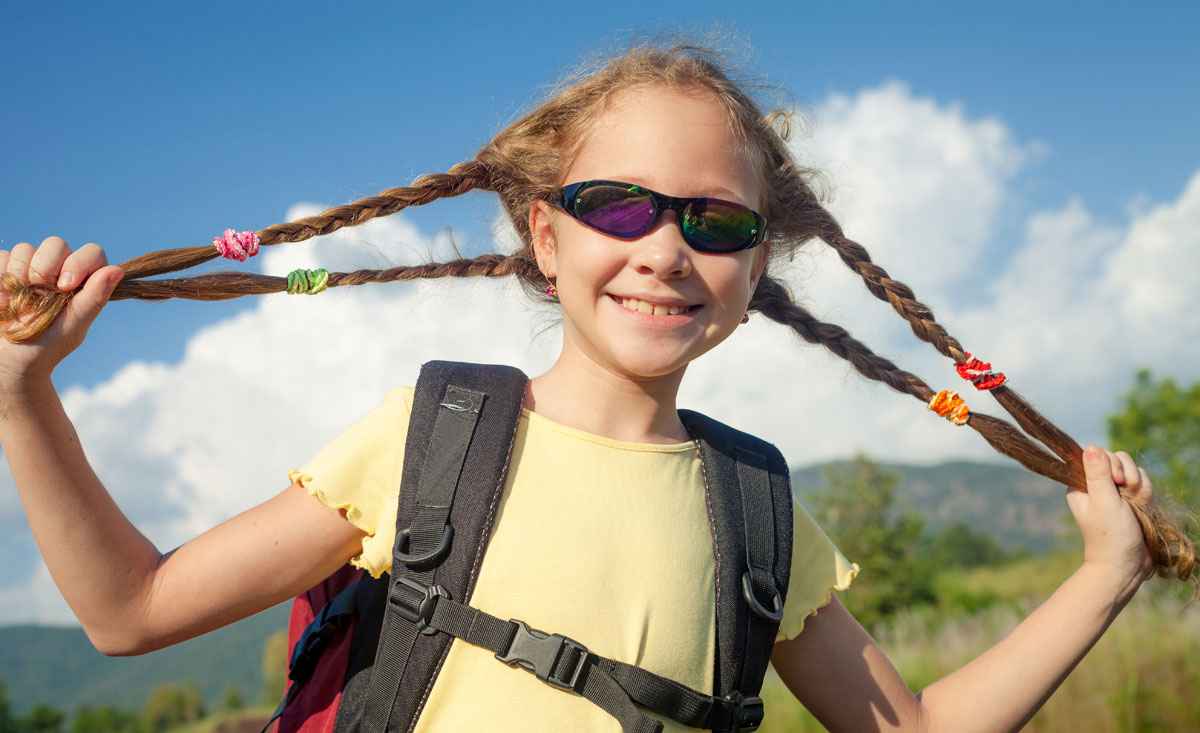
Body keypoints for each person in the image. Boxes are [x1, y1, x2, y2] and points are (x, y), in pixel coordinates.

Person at [0, 43, 1193, 732]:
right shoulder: (431, 440)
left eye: (716, 222)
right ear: (545, 237)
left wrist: (1104, 573)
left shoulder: (758, 512)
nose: (667, 249)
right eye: (618, 206)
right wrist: (23, 395)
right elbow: (132, 613)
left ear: (758, 264)